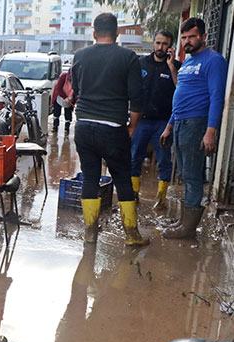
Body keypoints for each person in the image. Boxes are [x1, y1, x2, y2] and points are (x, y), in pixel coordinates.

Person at [71, 13, 147, 246]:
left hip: (83, 126)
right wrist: (132, 126)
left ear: (94, 33)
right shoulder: (128, 57)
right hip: (113, 127)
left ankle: (90, 232)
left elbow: (75, 89)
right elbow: (137, 100)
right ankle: (132, 235)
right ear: (117, 33)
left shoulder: (80, 56)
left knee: (90, 178)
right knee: (122, 178)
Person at [158, 18, 228, 239]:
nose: (187, 42)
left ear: (203, 37)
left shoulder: (213, 60)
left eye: (192, 37)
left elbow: (217, 97)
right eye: (184, 38)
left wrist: (211, 131)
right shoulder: (186, 62)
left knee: (193, 175)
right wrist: (169, 126)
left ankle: (188, 229)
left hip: (197, 123)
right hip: (180, 122)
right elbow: (182, 96)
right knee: (186, 174)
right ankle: (183, 221)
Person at [130, 29, 181, 210]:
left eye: (165, 44)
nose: (161, 47)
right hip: (141, 120)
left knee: (164, 160)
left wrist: (172, 66)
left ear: (170, 46)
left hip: (163, 123)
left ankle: (161, 200)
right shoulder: (141, 63)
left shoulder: (176, 66)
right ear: (153, 43)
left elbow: (180, 89)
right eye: (158, 43)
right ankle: (134, 195)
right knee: (134, 157)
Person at [51, 69, 74, 133]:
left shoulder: (77, 79)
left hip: (70, 96)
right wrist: (64, 97)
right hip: (59, 95)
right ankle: (55, 127)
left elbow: (76, 91)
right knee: (56, 112)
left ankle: (67, 128)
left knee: (68, 112)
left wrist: (74, 101)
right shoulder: (63, 76)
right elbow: (58, 88)